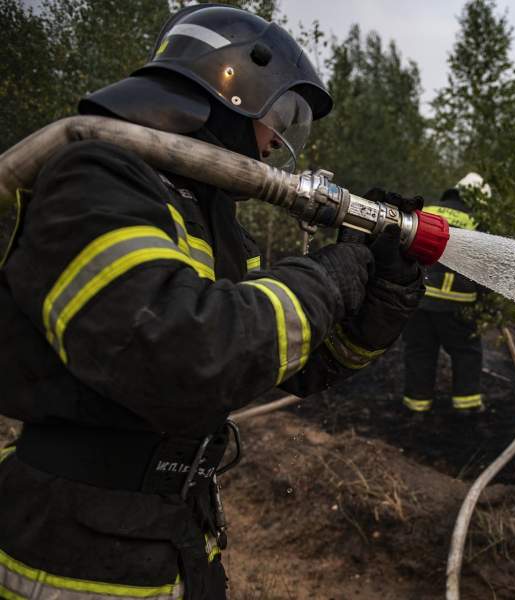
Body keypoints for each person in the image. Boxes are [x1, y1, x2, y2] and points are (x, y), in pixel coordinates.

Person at [0, 5, 423, 600]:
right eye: (279, 116)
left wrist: (382, 294)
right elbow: (188, 355)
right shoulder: (94, 176)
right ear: (231, 87)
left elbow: (287, 361)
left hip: (170, 526)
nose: (276, 143)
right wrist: (336, 270)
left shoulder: (210, 218)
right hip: (76, 545)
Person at [402, 173, 488, 414]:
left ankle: (416, 407)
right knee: (466, 353)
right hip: (456, 304)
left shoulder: (428, 210)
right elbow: (485, 267)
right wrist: (485, 303)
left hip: (418, 298)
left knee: (419, 352)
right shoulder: (476, 220)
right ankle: (467, 407)